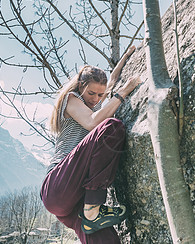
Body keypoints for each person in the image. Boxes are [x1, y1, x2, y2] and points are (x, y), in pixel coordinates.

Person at [40, 46, 141, 243]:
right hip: (58, 185)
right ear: (80, 87)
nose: (96, 99)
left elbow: (111, 82)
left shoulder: (95, 103)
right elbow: (93, 122)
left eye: (100, 96)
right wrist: (125, 91)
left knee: (106, 240)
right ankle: (94, 207)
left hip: (75, 201)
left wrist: (127, 57)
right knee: (111, 128)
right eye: (91, 93)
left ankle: (91, 210)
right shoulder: (71, 100)